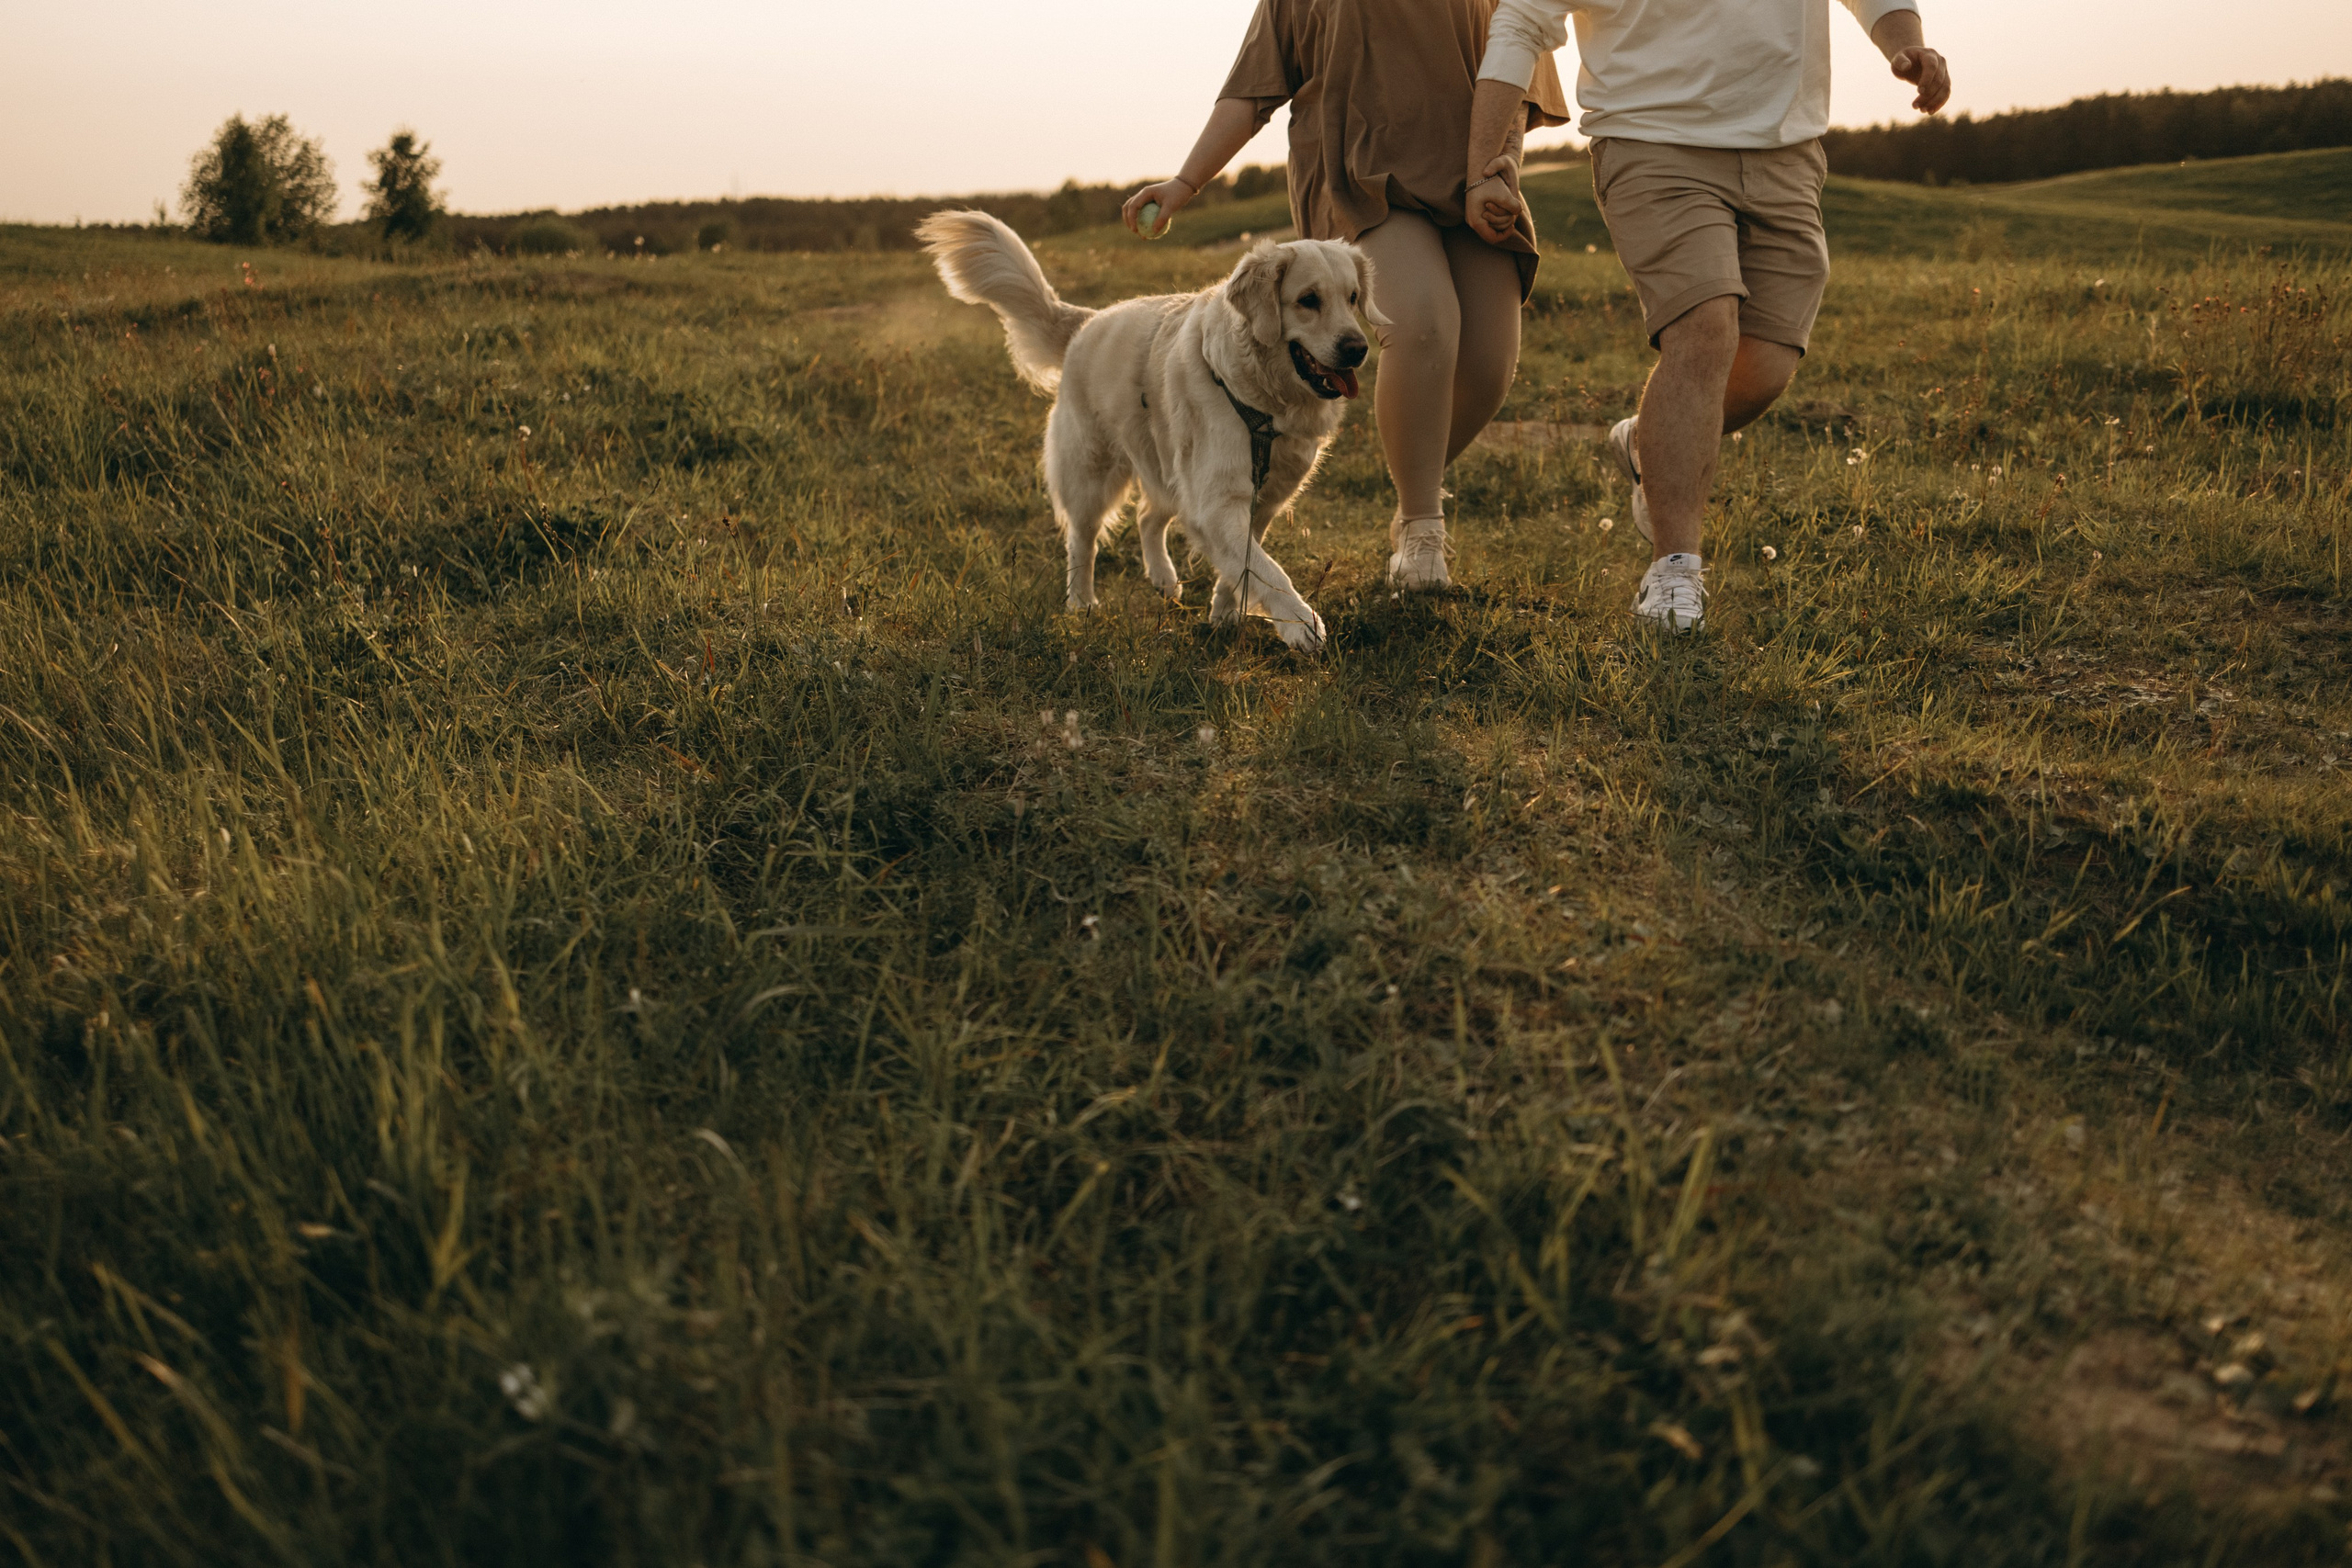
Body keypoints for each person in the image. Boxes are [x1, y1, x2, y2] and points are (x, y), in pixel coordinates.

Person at [1463, 0, 1952, 629]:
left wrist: (1905, 44)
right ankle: (1674, 572)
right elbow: (1521, 22)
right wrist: (1483, 172)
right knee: (1704, 328)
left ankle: (1648, 442)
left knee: (1767, 366)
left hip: (1787, 147)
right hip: (1650, 142)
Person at [1124, 0, 1571, 591]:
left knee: (1489, 364)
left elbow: (1522, 75)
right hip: (1360, 175)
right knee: (1421, 328)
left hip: (1474, 174)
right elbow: (1251, 91)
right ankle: (1421, 528)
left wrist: (1499, 166)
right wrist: (1185, 181)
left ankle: (1416, 488)